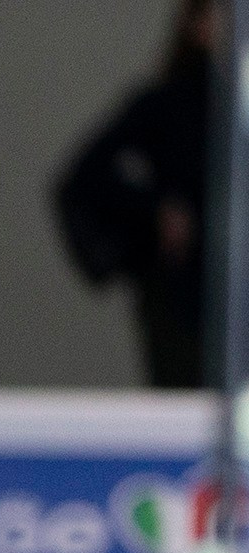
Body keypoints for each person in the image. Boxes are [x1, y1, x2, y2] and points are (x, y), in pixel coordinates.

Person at [54, 0, 217, 390]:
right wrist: (157, 211)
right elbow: (84, 178)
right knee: (186, 407)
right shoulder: (167, 105)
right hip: (183, 295)